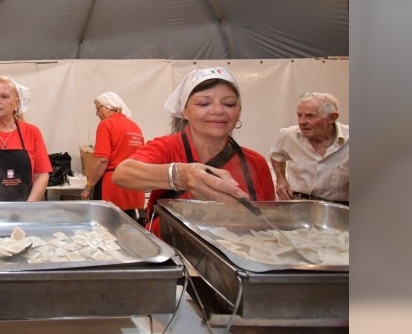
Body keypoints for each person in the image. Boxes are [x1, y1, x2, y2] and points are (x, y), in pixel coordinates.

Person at [113, 67, 275, 237]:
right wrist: (181, 175)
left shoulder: (256, 163)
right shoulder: (168, 147)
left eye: (229, 104)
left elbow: (270, 221)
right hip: (171, 249)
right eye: (204, 103)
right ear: (185, 111)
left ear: (239, 111)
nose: (218, 111)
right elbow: (123, 173)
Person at [269, 92, 349, 205]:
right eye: (299, 115)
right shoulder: (289, 135)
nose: (301, 122)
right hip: (298, 204)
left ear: (332, 118)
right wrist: (281, 180)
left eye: (310, 116)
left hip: (339, 206)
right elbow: (276, 156)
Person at [80, 92, 146, 221]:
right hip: (133, 186)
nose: (97, 113)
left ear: (108, 107)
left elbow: (102, 160)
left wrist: (88, 187)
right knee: (128, 225)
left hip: (113, 188)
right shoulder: (134, 126)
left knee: (106, 227)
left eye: (98, 108)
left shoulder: (106, 124)